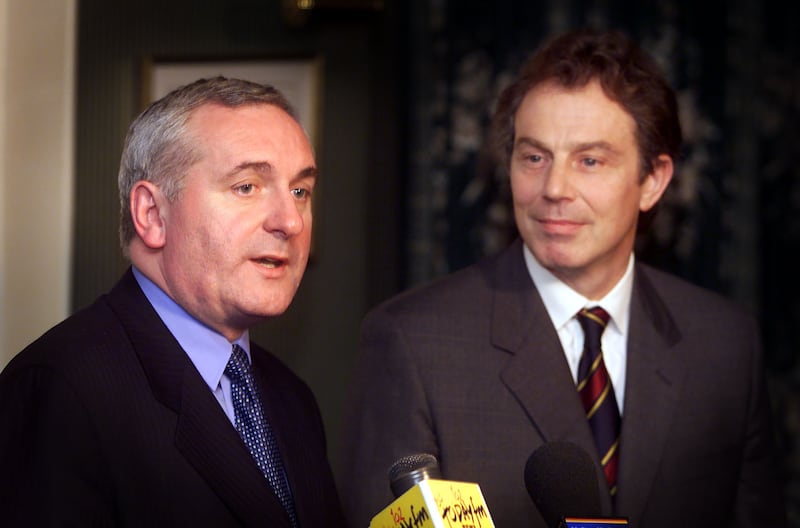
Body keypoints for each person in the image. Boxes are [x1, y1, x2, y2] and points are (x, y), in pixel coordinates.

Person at [338, 29, 786, 527]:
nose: (554, 188)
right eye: (534, 157)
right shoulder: (412, 343)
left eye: (589, 161)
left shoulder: (724, 344)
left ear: (653, 180)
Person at [0, 77, 345, 527]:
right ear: (152, 215)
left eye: (300, 192)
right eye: (247, 187)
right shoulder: (60, 390)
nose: (290, 222)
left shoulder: (290, 396)